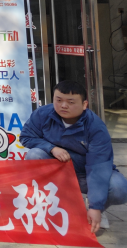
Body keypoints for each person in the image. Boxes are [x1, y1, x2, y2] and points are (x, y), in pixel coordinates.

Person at [22, 80, 127, 233]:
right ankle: (52, 208)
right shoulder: (42, 114)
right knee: (35, 154)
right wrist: (51, 148)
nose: (63, 106)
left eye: (71, 102)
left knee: (119, 188)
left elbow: (98, 166)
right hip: (58, 169)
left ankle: (95, 211)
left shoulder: (96, 127)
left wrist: (96, 206)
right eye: (58, 100)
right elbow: (26, 137)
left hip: (85, 172)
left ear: (85, 104)